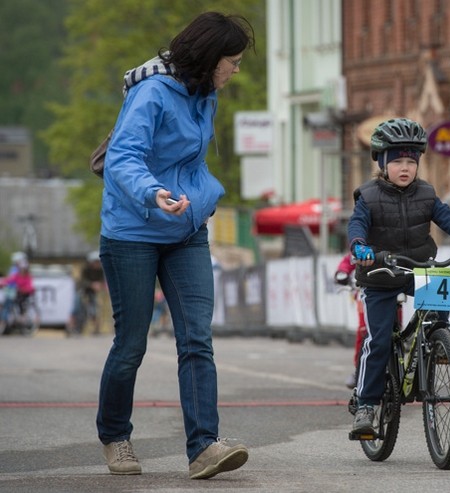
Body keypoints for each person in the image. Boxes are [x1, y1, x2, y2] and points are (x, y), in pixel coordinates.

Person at [96, 12, 255, 479]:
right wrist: (152, 192)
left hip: (185, 230)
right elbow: (123, 157)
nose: (236, 70)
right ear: (210, 60)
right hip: (133, 230)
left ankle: (204, 447)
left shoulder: (206, 96)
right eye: (233, 61)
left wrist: (200, 199)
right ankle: (114, 434)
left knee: (196, 339)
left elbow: (190, 162)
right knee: (131, 345)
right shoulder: (152, 93)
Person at [347, 118, 450, 435]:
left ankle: (438, 344)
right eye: (397, 161)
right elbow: (356, 226)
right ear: (382, 162)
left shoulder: (426, 194)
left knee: (442, 292)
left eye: (410, 161)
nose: (404, 167)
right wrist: (360, 247)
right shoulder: (368, 195)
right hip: (379, 272)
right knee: (377, 341)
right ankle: (366, 404)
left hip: (416, 268)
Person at [333, 253, 367, 388]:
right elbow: (348, 261)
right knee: (364, 330)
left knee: (397, 330)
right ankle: (359, 369)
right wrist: (342, 272)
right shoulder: (363, 244)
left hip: (394, 288)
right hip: (366, 292)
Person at [69, 250, 106, 336]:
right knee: (76, 308)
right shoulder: (85, 269)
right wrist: (91, 284)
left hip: (92, 292)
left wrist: (99, 285)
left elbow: (102, 281)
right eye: (96, 262)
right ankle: (71, 327)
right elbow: (82, 281)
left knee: (94, 309)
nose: (97, 264)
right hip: (81, 290)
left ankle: (96, 328)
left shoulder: (100, 270)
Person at [0, 254, 34, 333]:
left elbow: (30, 288)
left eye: (23, 269)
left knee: (8, 304)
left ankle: (3, 323)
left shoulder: (28, 277)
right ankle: (6, 321)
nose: (22, 270)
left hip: (24, 295)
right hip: (17, 295)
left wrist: (23, 289)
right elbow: (9, 280)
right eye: (21, 269)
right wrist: (2, 282)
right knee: (7, 303)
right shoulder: (17, 276)